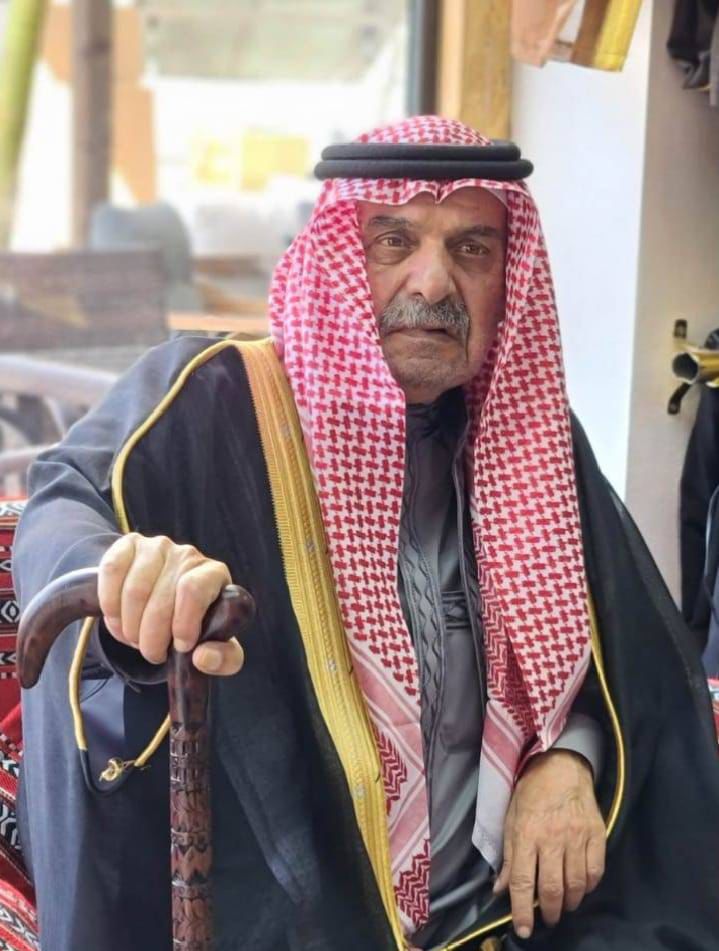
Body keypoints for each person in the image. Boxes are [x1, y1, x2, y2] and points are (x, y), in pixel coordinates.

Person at [13, 117, 719, 951]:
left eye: (472, 249)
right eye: (393, 241)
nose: (434, 279)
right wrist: (127, 575)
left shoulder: (533, 441)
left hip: (499, 926)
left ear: (508, 279)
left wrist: (570, 751)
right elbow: (60, 503)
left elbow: (630, 662)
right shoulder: (212, 402)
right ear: (340, 258)